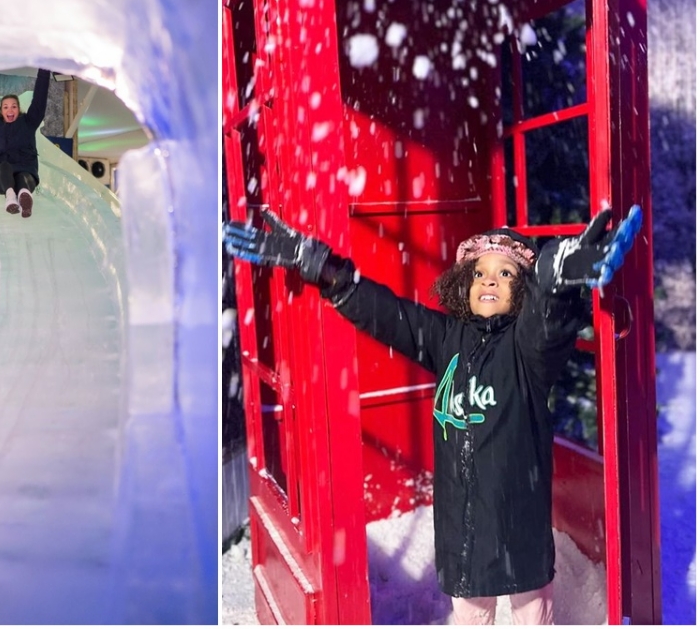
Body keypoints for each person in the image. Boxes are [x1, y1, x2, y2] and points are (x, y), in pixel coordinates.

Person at [223, 205, 641, 625]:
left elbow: (547, 321)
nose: (490, 279)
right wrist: (324, 267)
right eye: (479, 272)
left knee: (533, 613)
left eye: (506, 273)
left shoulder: (527, 351)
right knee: (471, 615)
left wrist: (555, 277)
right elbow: (389, 315)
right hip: (462, 529)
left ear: (524, 291)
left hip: (521, 526)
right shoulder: (447, 338)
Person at [0, 68, 51, 217]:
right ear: (1, 110)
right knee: (5, 167)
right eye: (6, 107)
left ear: (19, 109)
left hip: (26, 173)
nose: (10, 110)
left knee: (22, 176)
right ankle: (11, 196)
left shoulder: (29, 123)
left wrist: (44, 72)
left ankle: (24, 197)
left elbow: (39, 100)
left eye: (14, 106)